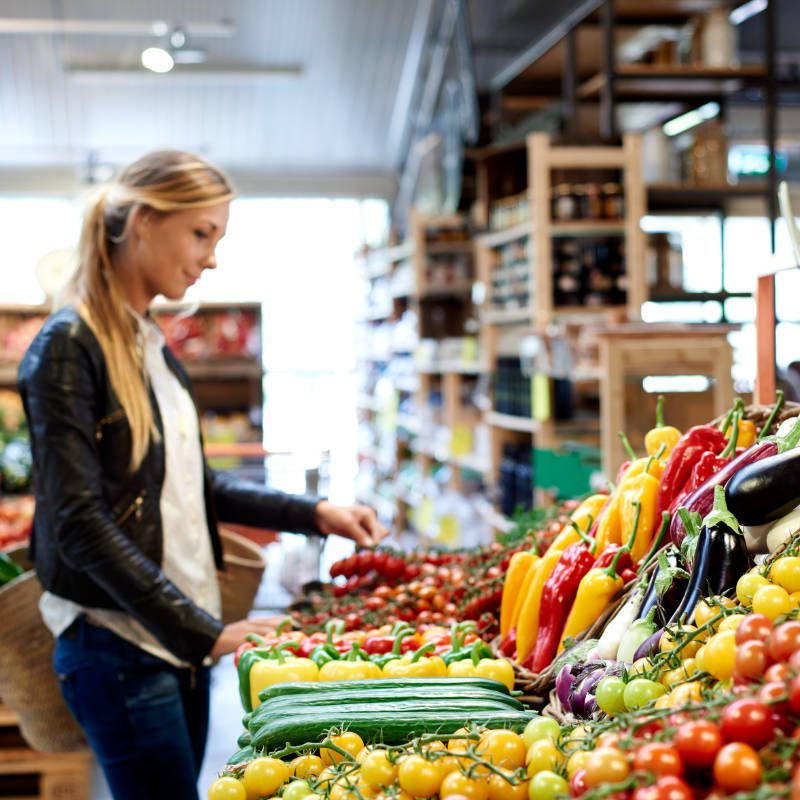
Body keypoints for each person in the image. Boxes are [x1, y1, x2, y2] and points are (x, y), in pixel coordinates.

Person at [17, 150, 388, 800]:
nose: (211, 257)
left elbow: (194, 487)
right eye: (201, 233)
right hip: (121, 643)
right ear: (144, 223)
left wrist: (312, 512)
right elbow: (77, 523)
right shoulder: (69, 349)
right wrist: (204, 632)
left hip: (174, 640)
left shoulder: (148, 344)